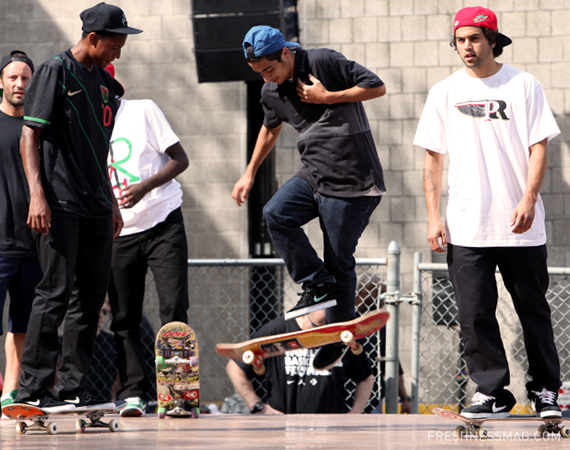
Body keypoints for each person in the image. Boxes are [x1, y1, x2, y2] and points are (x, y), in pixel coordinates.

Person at [414, 6, 562, 419]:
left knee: (532, 310)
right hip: (467, 225)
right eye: (460, 40)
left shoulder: (523, 85)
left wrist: (529, 197)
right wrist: (432, 216)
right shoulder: (444, 92)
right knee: (474, 314)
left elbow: (539, 146)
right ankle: (492, 391)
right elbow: (432, 159)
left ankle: (546, 391)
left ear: (493, 40)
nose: (467, 47)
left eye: (475, 39)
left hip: (520, 225)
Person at [232, 26, 386, 370]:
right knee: (275, 213)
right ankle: (316, 284)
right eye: (260, 74)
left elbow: (377, 86)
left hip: (353, 179)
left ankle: (338, 334)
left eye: (270, 70)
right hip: (313, 173)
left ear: (285, 53)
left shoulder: (324, 61)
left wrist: (327, 97)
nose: (267, 78)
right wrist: (250, 172)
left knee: (338, 258)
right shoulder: (271, 91)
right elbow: (270, 127)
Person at [15, 3, 142, 412]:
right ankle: (32, 388)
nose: (118, 52)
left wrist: (111, 204)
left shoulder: (105, 85)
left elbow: (98, 151)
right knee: (53, 293)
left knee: (90, 298)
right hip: (59, 201)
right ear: (93, 38)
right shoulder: (56, 71)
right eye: (115, 44)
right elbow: (29, 136)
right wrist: (38, 194)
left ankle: (72, 386)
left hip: (96, 205)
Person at [104, 63, 190, 417]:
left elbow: (180, 160)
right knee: (124, 317)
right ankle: (133, 391)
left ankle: (178, 393)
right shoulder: (85, 126)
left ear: (111, 87)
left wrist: (144, 187)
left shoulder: (142, 110)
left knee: (173, 306)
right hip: (119, 233)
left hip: (162, 222)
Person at [226, 310, 374, 414]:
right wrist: (258, 407)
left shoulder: (341, 336)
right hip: (283, 425)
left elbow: (366, 378)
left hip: (330, 428)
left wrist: (354, 413)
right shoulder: (278, 330)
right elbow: (234, 367)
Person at [0, 51, 42, 415]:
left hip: (33, 245)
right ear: (1, 81)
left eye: (26, 78)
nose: (19, 84)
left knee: (23, 326)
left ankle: (10, 393)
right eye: (13, 77)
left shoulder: (40, 126)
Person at [355, 274, 410, 414]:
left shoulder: (378, 325)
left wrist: (404, 397)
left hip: (373, 400)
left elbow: (393, 364)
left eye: (384, 293)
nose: (383, 298)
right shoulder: (348, 321)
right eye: (378, 292)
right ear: (362, 292)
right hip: (344, 395)